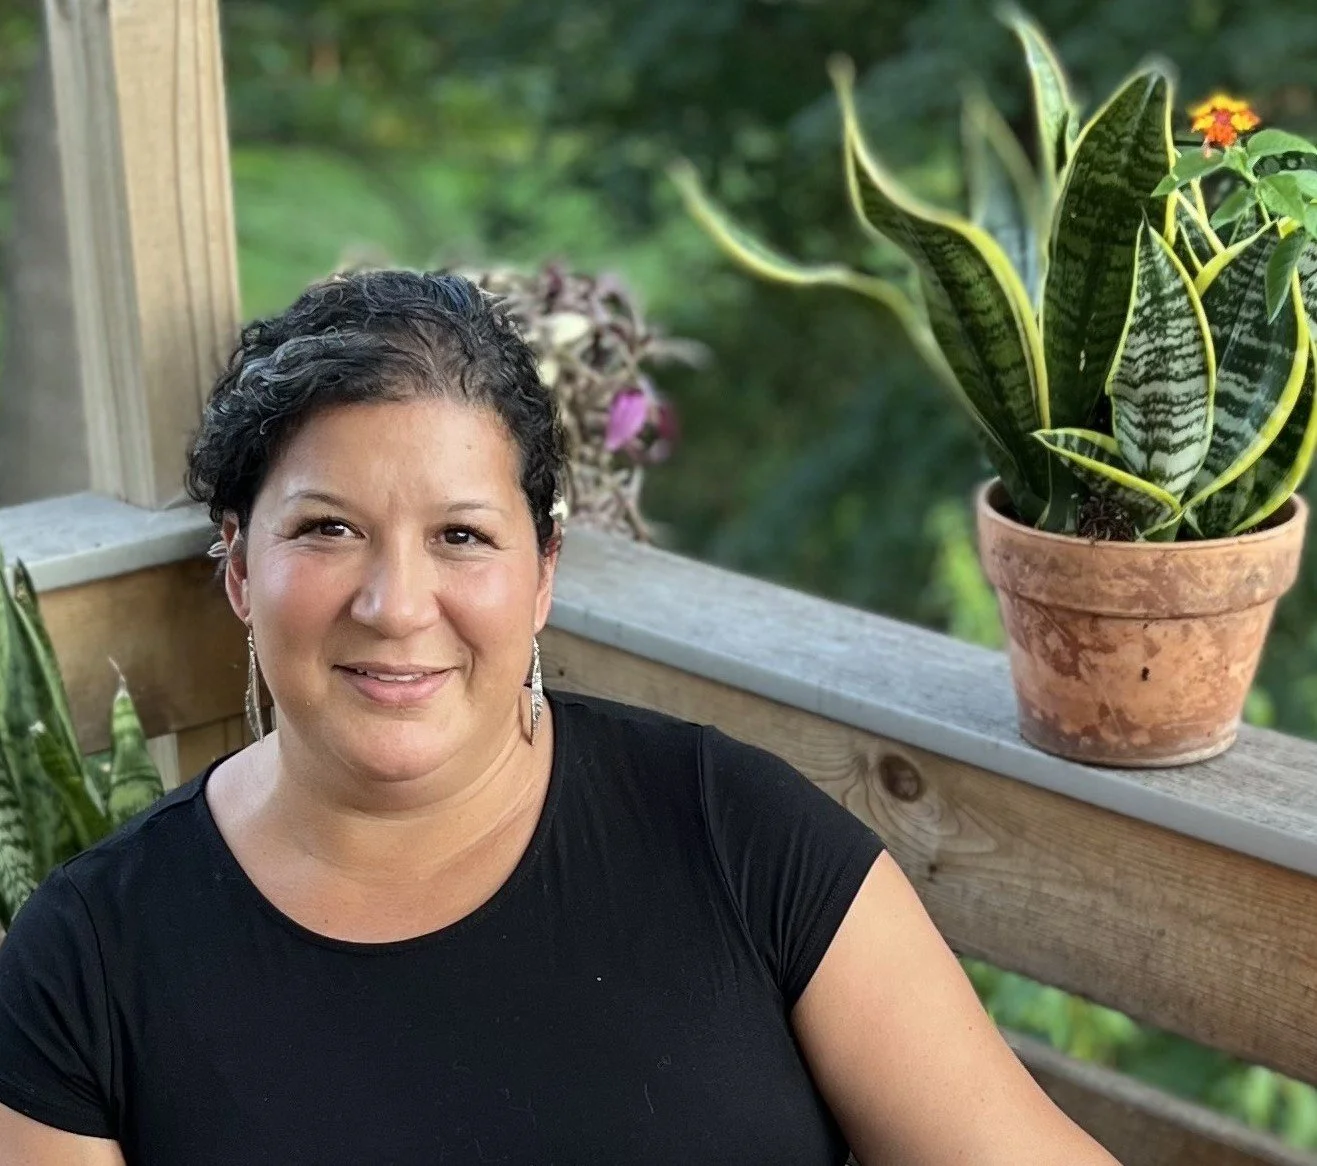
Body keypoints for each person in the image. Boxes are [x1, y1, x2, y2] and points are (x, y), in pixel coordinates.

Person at [0, 270, 1119, 1165]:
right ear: (241, 568)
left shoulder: (733, 833)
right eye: (328, 529)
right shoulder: (88, 960)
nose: (396, 605)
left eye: (462, 537)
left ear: (542, 573)